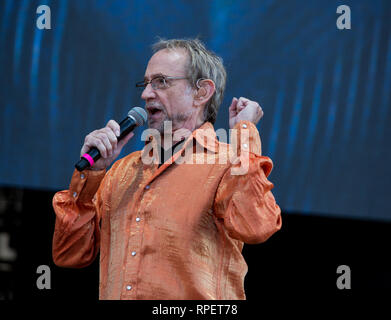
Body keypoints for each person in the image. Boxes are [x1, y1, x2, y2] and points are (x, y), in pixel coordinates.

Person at [52, 38, 282, 300]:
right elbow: (69, 255)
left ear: (202, 92)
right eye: (146, 83)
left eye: (161, 81)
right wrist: (90, 177)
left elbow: (256, 228)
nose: (146, 94)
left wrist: (244, 134)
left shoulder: (229, 163)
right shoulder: (120, 171)